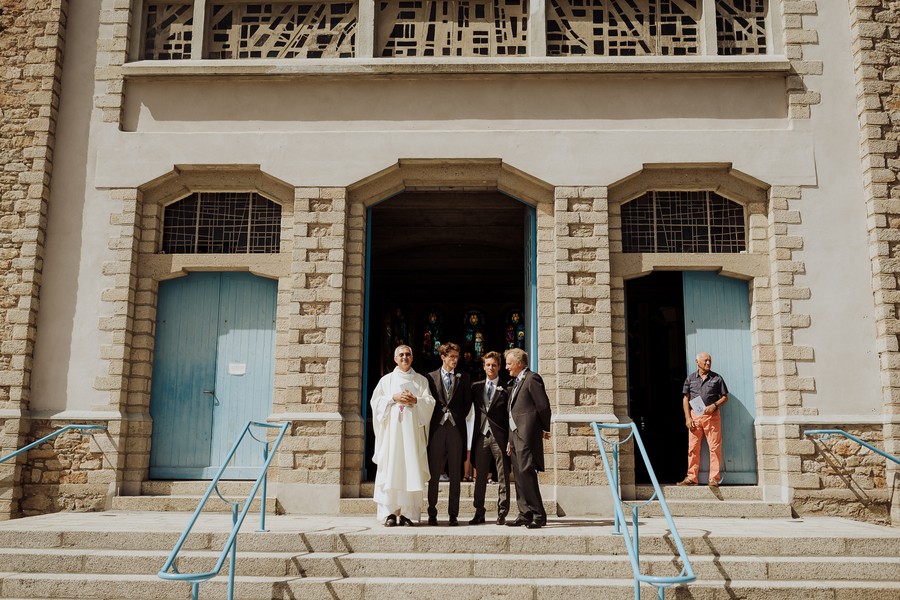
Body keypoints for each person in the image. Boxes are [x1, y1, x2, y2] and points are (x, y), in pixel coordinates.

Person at [370, 345, 436, 526]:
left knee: (410, 469)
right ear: (395, 359)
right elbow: (375, 402)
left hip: (411, 436)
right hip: (391, 436)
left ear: (412, 358)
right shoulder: (386, 381)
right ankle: (390, 513)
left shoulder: (421, 381)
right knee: (392, 469)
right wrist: (393, 397)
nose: (404, 357)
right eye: (401, 355)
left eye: (408, 354)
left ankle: (408, 514)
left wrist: (416, 401)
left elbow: (430, 402)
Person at [504, 348, 551, 529]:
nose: (507, 367)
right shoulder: (515, 382)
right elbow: (511, 412)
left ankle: (539, 515)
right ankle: (525, 513)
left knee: (526, 472)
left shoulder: (532, 378)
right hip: (515, 435)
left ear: (519, 363)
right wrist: (509, 438)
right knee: (518, 474)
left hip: (527, 433)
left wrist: (544, 428)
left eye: (509, 363)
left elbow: (543, 406)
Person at [426, 342, 473, 526]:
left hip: (455, 430)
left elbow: (467, 403)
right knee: (434, 473)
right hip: (437, 429)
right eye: (451, 356)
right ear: (443, 357)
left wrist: (456, 416)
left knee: (455, 473)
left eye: (456, 356)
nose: (455, 360)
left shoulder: (464, 377)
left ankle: (453, 514)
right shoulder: (430, 377)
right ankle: (432, 513)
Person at [467, 351, 511, 525]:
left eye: (494, 365)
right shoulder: (476, 387)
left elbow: (510, 416)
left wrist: (510, 439)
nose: (491, 368)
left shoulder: (507, 388)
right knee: (480, 476)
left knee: (503, 476)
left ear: (499, 367)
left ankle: (502, 512)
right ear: (483, 367)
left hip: (500, 437)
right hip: (481, 436)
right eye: (488, 365)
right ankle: (479, 511)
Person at [679, 351, 729, 487]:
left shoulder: (717, 378)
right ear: (697, 362)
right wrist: (687, 418)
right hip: (695, 416)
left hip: (712, 416)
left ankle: (713, 478)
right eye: (705, 360)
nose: (708, 363)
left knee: (714, 448)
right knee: (693, 447)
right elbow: (685, 398)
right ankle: (691, 478)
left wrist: (714, 405)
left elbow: (725, 397)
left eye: (709, 360)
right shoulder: (690, 379)